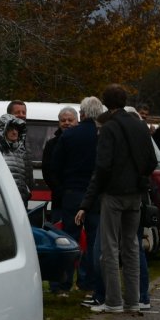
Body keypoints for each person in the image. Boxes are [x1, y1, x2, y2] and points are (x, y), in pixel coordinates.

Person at [76, 84, 157, 315]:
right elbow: (151, 160)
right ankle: (133, 300)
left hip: (113, 193)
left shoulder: (108, 128)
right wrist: (138, 176)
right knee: (132, 245)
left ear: (105, 103)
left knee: (109, 248)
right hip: (136, 194)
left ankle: (113, 301)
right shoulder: (140, 125)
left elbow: (102, 166)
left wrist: (87, 201)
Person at [51, 97, 101, 300]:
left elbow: (56, 165)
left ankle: (63, 283)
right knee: (93, 240)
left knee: (68, 239)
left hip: (72, 192)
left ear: (82, 113)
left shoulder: (69, 136)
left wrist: (63, 189)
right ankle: (88, 282)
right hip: (95, 194)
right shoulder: (102, 136)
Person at [40, 105, 79, 294]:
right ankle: (57, 284)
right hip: (59, 200)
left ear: (77, 121)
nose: (66, 123)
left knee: (79, 242)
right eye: (63, 120)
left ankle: (76, 282)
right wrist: (60, 189)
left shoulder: (82, 142)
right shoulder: (51, 144)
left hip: (79, 199)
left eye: (70, 120)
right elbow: (48, 171)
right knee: (59, 240)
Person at [0, 113, 31, 202]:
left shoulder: (20, 150)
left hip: (20, 201)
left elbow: (27, 178)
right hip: (2, 201)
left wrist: (27, 192)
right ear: (2, 130)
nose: (14, 132)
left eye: (16, 129)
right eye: (10, 129)